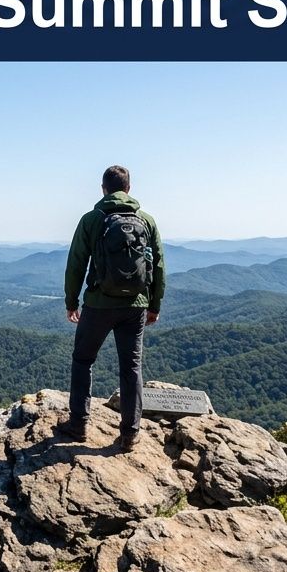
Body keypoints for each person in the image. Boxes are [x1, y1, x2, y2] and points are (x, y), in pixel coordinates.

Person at [61, 165, 166, 449]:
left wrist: (71, 301)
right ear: (129, 189)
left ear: (103, 189)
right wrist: (154, 304)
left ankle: (78, 424)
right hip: (136, 306)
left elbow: (76, 264)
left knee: (83, 360)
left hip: (98, 304)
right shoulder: (146, 220)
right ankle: (130, 433)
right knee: (131, 367)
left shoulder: (92, 220)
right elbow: (157, 265)